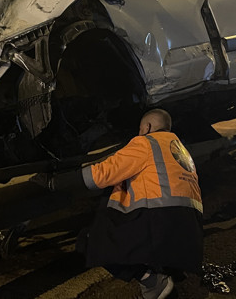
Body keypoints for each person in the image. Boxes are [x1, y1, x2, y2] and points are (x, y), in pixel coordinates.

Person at [75, 108, 203, 299]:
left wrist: (62, 181)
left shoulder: (145, 142)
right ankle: (166, 271)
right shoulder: (180, 150)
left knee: (89, 240)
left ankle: (151, 280)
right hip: (190, 232)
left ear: (147, 127)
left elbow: (103, 174)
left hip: (160, 222)